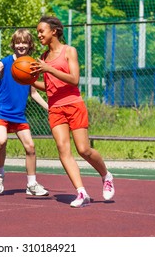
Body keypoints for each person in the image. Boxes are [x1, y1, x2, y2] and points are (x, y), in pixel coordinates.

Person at [31, 16, 115, 208]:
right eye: (37, 31)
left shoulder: (69, 51)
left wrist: (48, 68)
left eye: (41, 31)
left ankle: (106, 175)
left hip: (73, 104)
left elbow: (74, 79)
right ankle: (81, 192)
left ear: (54, 31)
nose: (39, 35)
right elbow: (50, 86)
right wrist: (30, 81)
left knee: (84, 150)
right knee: (63, 150)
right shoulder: (43, 58)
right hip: (55, 108)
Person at [0, 29, 49, 196]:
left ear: (30, 45)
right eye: (18, 42)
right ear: (13, 44)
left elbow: (34, 93)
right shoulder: (6, 62)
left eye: (24, 42)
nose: (21, 45)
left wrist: (48, 108)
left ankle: (31, 184)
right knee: (1, 141)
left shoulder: (31, 66)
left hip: (18, 114)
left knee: (30, 146)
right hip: (1, 110)